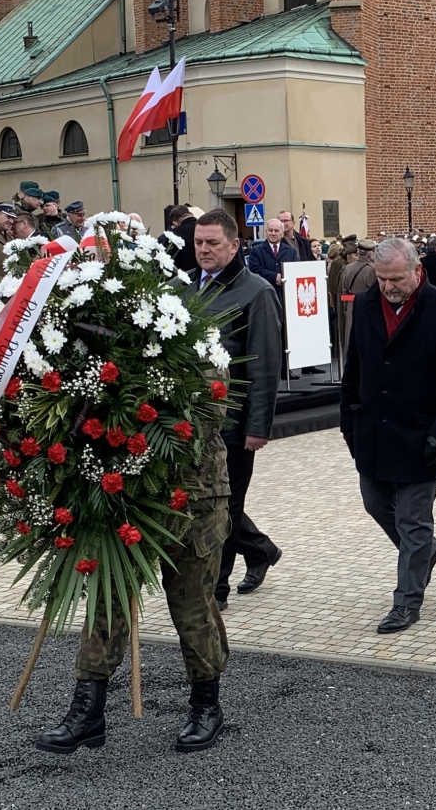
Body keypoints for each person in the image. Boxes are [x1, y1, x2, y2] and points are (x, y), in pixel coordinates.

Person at [37, 365, 234, 760]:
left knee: (192, 603)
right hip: (126, 498)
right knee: (107, 597)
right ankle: (88, 710)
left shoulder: (199, 345)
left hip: (193, 498)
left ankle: (206, 705)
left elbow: (210, 409)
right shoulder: (110, 350)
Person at [340, 236, 436, 634]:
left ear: (417, 271)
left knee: (414, 522)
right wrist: (348, 420)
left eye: (396, 278)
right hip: (374, 432)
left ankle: (406, 602)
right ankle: (426, 554)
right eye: (382, 279)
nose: (388, 286)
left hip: (421, 436)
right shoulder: (365, 305)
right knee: (375, 503)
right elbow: (355, 366)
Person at [189, 208, 284, 606]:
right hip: (190, 423)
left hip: (232, 422)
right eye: (198, 242)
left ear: (234, 245)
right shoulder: (187, 288)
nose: (204, 250)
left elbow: (265, 363)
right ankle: (260, 549)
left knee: (225, 505)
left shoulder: (257, 292)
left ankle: (217, 589)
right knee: (203, 500)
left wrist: (257, 426)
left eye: (212, 243)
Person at [245, 215, 298, 295]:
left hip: (285, 294)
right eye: (270, 230)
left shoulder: (291, 251)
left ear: (282, 234)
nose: (273, 233)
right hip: (264, 294)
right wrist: (274, 276)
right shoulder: (256, 251)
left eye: (276, 231)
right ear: (266, 232)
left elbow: (296, 270)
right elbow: (254, 270)